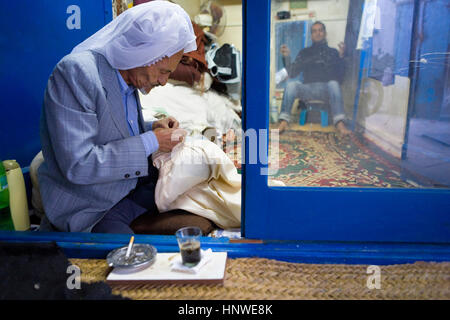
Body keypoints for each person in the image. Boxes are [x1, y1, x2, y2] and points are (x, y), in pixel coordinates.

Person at [38, 1, 197, 233]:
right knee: (140, 259)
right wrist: (153, 141)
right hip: (92, 208)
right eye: (163, 72)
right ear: (143, 53)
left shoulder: (129, 78)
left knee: (200, 208)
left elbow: (113, 130)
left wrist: (152, 127)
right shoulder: (77, 73)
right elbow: (79, 165)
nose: (164, 81)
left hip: (128, 189)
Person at [278, 21, 351, 135]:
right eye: (314, 31)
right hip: (307, 89)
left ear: (325, 33)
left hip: (325, 89)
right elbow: (292, 72)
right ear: (311, 35)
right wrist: (286, 57)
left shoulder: (333, 52)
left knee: (334, 84)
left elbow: (340, 78)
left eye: (320, 30)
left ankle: (339, 123)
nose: (318, 33)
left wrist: (341, 57)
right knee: (291, 85)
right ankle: (283, 121)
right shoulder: (304, 52)